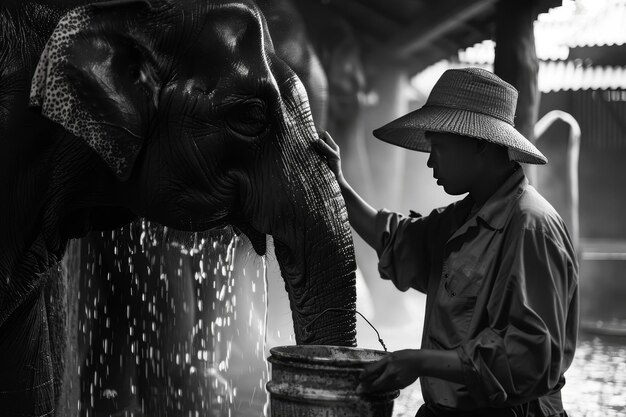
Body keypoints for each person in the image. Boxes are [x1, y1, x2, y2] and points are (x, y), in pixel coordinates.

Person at [314, 67, 578, 417]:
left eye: (438, 147)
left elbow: (531, 358)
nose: (429, 160)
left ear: (481, 144)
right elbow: (399, 239)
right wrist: (338, 186)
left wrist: (421, 362)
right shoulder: (462, 218)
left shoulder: (531, 227)